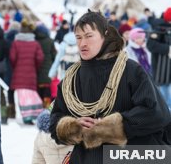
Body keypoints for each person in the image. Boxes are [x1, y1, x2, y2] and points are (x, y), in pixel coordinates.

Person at [49, 10, 171, 164]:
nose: (82, 43)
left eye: (89, 36)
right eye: (78, 37)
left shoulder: (131, 70)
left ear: (105, 35)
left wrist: (109, 128)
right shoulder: (71, 79)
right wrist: (74, 127)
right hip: (87, 158)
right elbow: (55, 121)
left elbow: (156, 113)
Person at [147, 7, 171, 111]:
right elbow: (150, 45)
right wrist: (168, 49)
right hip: (163, 68)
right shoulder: (159, 28)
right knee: (164, 95)